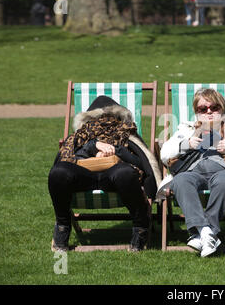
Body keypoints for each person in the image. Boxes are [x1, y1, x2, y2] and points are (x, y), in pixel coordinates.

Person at [157, 88, 225, 257]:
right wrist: (185, 144)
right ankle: (206, 233)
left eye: (214, 108)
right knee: (181, 181)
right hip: (193, 172)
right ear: (196, 112)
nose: (209, 112)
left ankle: (200, 233)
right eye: (203, 109)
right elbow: (164, 154)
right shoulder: (185, 130)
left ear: (222, 109)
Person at [48, 96, 162, 252]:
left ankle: (140, 225)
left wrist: (117, 151)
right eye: (98, 119)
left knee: (125, 173)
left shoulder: (127, 134)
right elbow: (67, 160)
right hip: (84, 175)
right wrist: (93, 147)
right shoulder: (80, 137)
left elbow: (143, 164)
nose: (105, 121)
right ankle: (62, 226)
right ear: (89, 120)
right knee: (59, 172)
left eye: (110, 118)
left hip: (115, 176)